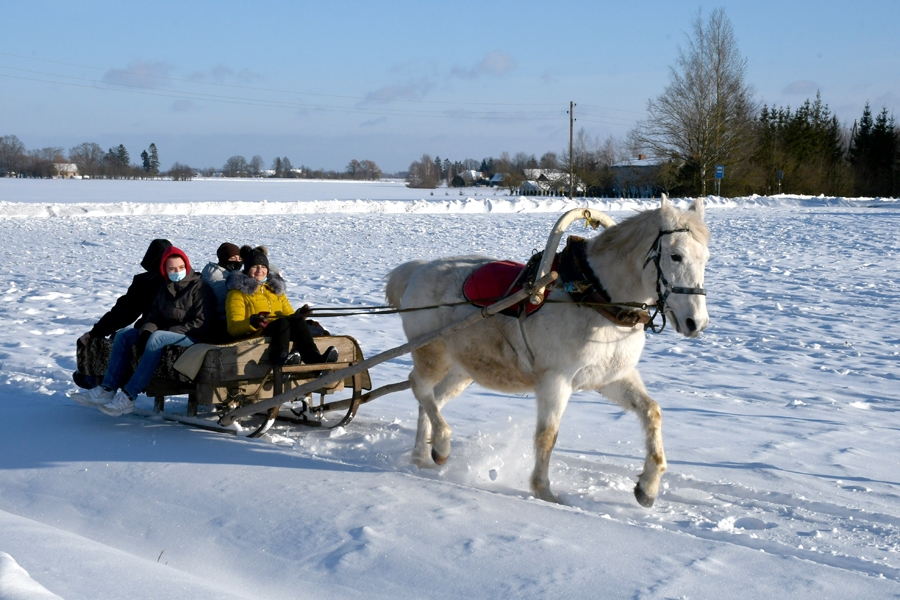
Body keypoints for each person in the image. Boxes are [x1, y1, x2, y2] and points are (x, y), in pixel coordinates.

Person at [71, 246, 219, 416]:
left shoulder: (199, 288)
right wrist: (147, 331)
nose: (177, 271)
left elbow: (202, 323)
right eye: (172, 269)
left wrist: (164, 332)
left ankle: (129, 396)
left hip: (193, 336)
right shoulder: (165, 287)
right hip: (165, 333)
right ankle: (107, 388)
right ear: (165, 269)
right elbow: (154, 316)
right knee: (124, 335)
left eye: (180, 267)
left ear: (187, 265)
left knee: (157, 338)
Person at [74, 238, 172, 389]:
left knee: (120, 339)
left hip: (151, 333)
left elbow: (124, 313)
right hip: (180, 333)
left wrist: (96, 332)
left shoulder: (147, 282)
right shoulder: (188, 280)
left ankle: (105, 383)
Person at [225, 246, 337, 366]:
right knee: (281, 323)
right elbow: (233, 328)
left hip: (279, 331)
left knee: (295, 320)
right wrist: (253, 322)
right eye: (254, 267)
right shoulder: (237, 293)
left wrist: (301, 314)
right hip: (255, 333)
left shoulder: (275, 290)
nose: (259, 271)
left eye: (263, 267)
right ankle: (280, 359)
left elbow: (289, 316)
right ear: (247, 269)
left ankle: (314, 358)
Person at [201, 242, 242, 329]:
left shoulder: (227, 273)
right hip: (218, 322)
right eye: (233, 258)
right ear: (224, 259)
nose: (237, 262)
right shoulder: (214, 276)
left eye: (240, 258)